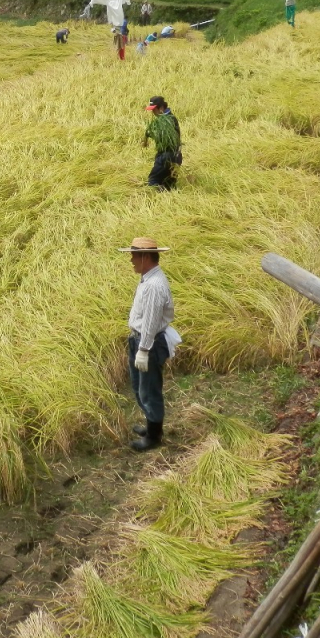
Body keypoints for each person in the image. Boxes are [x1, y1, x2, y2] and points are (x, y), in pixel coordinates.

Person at [118, 237, 177, 452]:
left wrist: (143, 349)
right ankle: (152, 426)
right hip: (141, 340)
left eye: (134, 256)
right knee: (140, 386)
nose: (131, 260)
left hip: (148, 343)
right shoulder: (147, 278)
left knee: (149, 389)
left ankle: (154, 436)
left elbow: (151, 322)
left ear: (145, 257)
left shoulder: (153, 285)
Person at [143, 96, 182, 190]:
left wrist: (149, 134)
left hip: (166, 156)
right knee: (169, 186)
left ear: (161, 108)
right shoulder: (171, 118)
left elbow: (164, 139)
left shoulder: (166, 121)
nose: (153, 112)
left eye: (154, 110)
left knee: (153, 181)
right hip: (176, 156)